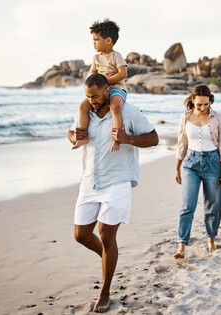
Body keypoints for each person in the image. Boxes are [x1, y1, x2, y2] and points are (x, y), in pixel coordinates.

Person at [67, 73, 158, 312]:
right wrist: (73, 136)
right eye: (88, 96)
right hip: (89, 181)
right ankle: (109, 257)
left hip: (117, 181)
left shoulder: (128, 112)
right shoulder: (85, 111)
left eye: (95, 96)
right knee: (81, 235)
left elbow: (154, 138)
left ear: (107, 90)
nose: (92, 100)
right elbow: (71, 132)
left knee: (106, 235)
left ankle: (105, 291)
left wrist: (128, 139)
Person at [173, 84, 221, 259]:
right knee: (187, 205)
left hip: (213, 163)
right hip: (191, 163)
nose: (203, 108)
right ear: (193, 101)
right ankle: (182, 244)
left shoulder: (218, 118)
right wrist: (177, 167)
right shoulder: (185, 117)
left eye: (206, 104)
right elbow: (182, 143)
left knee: (213, 203)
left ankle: (211, 238)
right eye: (199, 105)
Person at [72, 19, 127, 152]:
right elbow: (92, 75)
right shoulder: (95, 58)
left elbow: (122, 74)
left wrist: (105, 81)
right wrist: (97, 83)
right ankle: (82, 136)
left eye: (96, 40)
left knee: (115, 107)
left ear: (108, 40)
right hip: (100, 91)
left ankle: (116, 139)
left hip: (116, 90)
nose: (94, 43)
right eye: (93, 40)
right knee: (83, 105)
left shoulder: (116, 56)